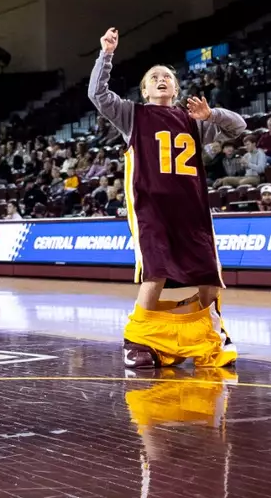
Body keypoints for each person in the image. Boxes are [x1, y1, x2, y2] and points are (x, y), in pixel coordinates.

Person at [89, 25, 244, 371]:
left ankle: (212, 334)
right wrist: (107, 54)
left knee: (208, 274)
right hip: (151, 208)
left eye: (167, 77)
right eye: (154, 77)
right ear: (144, 90)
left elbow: (240, 127)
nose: (162, 79)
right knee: (155, 273)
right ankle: (138, 340)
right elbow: (98, 95)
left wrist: (213, 115)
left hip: (191, 209)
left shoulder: (195, 120)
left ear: (175, 88)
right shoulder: (133, 115)